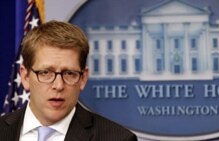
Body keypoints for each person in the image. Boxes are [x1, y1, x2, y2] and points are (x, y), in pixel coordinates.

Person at [0, 20, 137, 141]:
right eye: (46, 73)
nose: (58, 86)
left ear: (83, 78)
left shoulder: (118, 139)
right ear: (25, 77)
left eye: (69, 73)